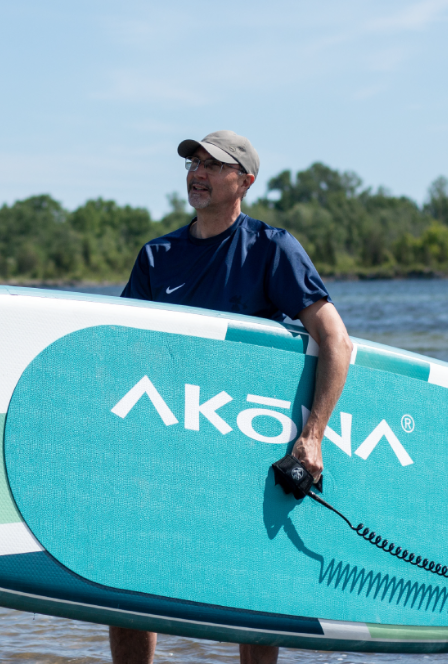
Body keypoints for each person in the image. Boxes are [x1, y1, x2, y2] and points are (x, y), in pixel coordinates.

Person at [109, 130, 353, 664]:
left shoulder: (271, 249)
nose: (197, 172)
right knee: (129, 581)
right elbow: (125, 352)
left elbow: (336, 341)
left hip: (240, 445)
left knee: (251, 591)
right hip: (166, 441)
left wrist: (312, 438)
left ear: (243, 181)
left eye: (213, 165)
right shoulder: (157, 257)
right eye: (193, 162)